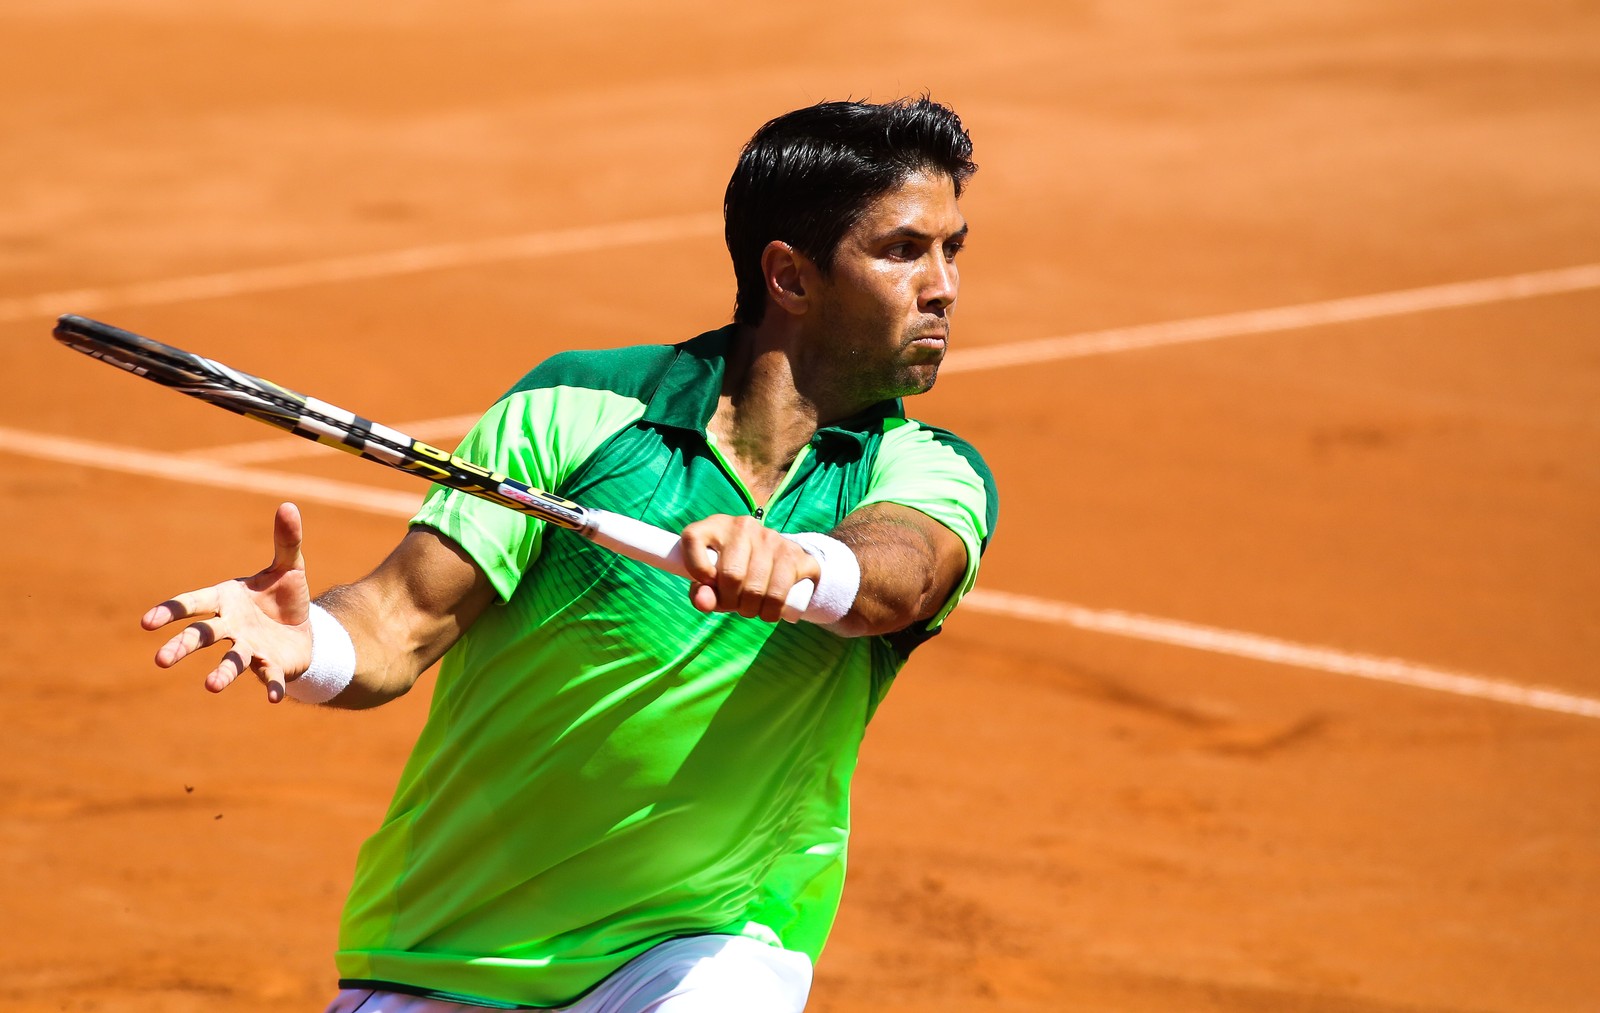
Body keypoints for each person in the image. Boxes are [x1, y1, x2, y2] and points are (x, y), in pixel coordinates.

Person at [144, 96, 999, 1012]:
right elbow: (402, 620)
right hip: (449, 949)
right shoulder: (576, 408)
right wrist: (314, 642)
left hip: (708, 946)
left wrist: (803, 564)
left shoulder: (925, 467)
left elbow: (904, 568)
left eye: (954, 249)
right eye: (905, 250)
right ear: (789, 276)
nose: (944, 285)